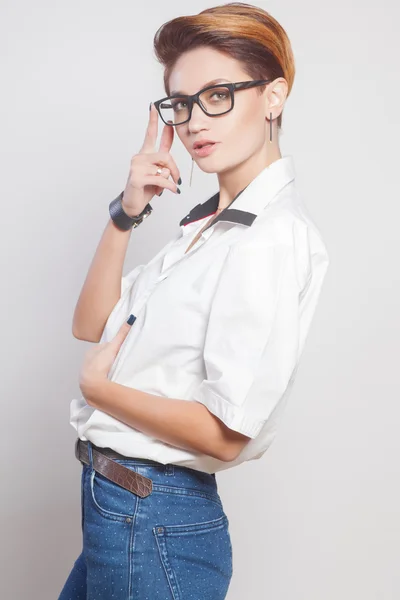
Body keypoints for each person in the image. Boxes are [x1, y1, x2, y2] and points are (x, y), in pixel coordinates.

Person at [59, 3, 329, 599]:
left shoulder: (269, 238)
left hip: (156, 516)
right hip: (120, 507)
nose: (193, 122)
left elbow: (228, 435)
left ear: (273, 97)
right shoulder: (206, 227)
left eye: (218, 95)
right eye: (181, 103)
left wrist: (102, 392)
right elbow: (90, 325)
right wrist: (128, 213)